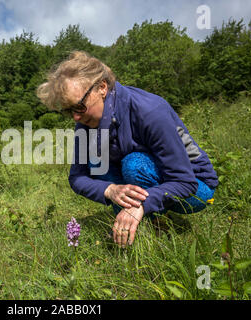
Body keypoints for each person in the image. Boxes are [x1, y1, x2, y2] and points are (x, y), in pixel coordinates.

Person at [36, 51, 218, 248]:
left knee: (134, 165)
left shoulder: (149, 110)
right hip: (160, 181)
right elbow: (77, 177)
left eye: (79, 106)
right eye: (68, 111)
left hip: (196, 188)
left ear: (102, 88)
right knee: (96, 162)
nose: (75, 118)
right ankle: (138, 231)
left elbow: (185, 182)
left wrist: (142, 205)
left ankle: (150, 223)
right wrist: (110, 190)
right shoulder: (85, 124)